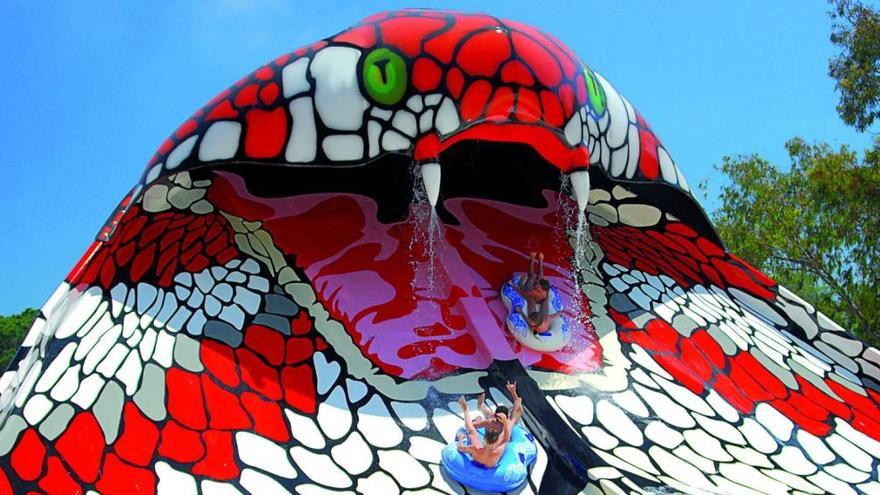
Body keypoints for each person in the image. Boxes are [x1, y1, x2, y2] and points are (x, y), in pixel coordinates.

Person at [455, 382, 523, 468]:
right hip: (492, 451)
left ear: (484, 438)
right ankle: (480, 406)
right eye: (497, 418)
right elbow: (506, 439)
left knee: (475, 431)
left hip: (485, 449)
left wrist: (513, 393)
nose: (498, 420)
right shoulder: (493, 422)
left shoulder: (507, 424)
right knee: (487, 418)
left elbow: (470, 430)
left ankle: (478, 407)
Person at [515, 252, 559, 335]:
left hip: (532, 297)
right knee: (538, 277)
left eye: (537, 286)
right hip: (535, 299)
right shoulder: (546, 318)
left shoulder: (539, 292)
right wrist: (561, 313)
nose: (535, 286)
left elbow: (522, 293)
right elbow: (552, 316)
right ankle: (539, 261)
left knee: (532, 278)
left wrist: (520, 311)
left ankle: (532, 261)